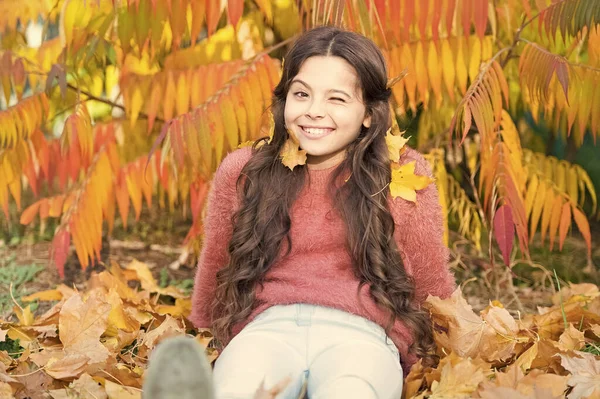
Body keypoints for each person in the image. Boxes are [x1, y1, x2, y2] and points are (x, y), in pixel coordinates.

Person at [155, 26, 456, 399]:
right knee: (239, 387)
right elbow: (217, 263)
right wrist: (203, 335)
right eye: (302, 94)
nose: (314, 111)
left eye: (337, 99)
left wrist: (443, 353)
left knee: (354, 391)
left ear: (368, 113)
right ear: (284, 101)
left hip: (364, 335)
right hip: (267, 327)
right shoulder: (245, 171)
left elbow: (430, 277)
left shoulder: (400, 175)